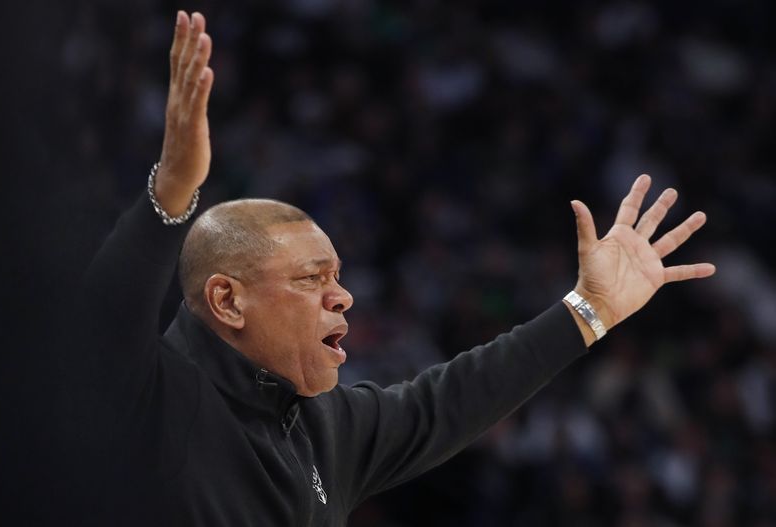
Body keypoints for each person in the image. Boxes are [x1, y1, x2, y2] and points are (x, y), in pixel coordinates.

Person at [81, 11, 715, 526]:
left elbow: (459, 394)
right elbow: (106, 315)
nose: (344, 297)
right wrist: (170, 195)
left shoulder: (330, 430)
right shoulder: (148, 395)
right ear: (227, 301)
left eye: (337, 276)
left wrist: (590, 310)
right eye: (312, 278)